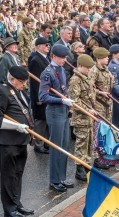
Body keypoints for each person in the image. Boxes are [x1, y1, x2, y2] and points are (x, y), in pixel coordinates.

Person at [0, 66, 35, 217]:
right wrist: (16, 126)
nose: (23, 85)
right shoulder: (1, 92)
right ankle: (9, 208)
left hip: (21, 140)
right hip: (8, 142)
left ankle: (17, 203)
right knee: (9, 176)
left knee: (18, 174)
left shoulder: (20, 91)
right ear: (12, 79)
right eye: (21, 82)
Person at [39, 45, 74, 192]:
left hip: (64, 111)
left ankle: (61, 177)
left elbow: (63, 89)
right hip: (54, 112)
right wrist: (61, 101)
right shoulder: (47, 73)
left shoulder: (61, 70)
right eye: (62, 58)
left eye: (66, 58)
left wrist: (68, 100)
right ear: (53, 56)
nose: (64, 60)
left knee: (65, 146)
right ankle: (54, 180)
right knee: (56, 147)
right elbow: (43, 96)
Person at [69, 54, 96, 181]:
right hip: (80, 117)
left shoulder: (87, 78)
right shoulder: (75, 80)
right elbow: (75, 101)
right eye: (87, 68)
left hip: (89, 117)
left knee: (89, 141)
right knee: (81, 143)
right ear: (80, 66)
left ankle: (87, 165)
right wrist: (88, 110)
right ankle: (79, 168)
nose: (89, 70)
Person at [28, 37, 51, 154]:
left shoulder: (46, 58)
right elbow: (35, 81)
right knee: (40, 121)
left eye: (48, 45)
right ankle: (38, 144)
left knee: (46, 119)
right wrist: (38, 97)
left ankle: (46, 142)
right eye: (45, 45)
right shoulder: (35, 60)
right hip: (40, 95)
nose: (48, 46)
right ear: (38, 47)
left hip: (46, 93)